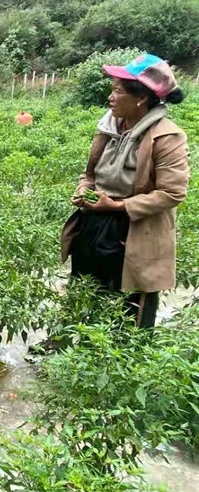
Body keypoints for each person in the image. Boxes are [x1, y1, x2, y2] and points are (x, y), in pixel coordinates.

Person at [61, 53, 189, 328]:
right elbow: (90, 173)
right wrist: (84, 188)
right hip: (93, 222)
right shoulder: (108, 127)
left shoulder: (167, 136)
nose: (110, 97)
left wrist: (117, 206)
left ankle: (127, 352)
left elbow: (172, 193)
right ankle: (75, 345)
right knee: (84, 295)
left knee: (130, 312)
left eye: (118, 91)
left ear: (141, 98)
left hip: (132, 230)